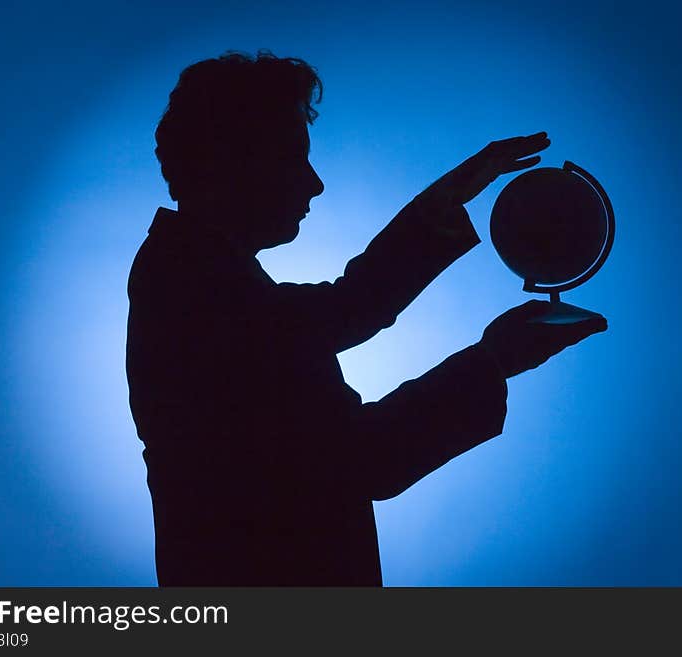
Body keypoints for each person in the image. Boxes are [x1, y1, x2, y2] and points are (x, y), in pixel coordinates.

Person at [125, 50, 607, 586]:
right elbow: (363, 455)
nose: (314, 184)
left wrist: (448, 201)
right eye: (293, 156)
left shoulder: (197, 282)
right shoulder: (192, 287)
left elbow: (347, 312)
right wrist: (493, 361)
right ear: (230, 160)